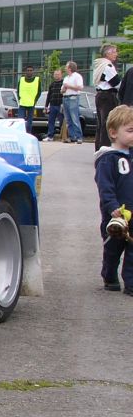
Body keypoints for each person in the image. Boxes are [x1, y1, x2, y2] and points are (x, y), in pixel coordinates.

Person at [93, 105, 133, 295]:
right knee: (113, 250)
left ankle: (131, 283)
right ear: (113, 132)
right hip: (115, 216)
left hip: (132, 215)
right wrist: (111, 206)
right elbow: (105, 186)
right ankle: (109, 276)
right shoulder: (108, 159)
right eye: (130, 130)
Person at [92, 44, 121, 150]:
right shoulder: (108, 66)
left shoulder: (99, 65)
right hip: (107, 96)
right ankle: (105, 148)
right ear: (108, 53)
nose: (116, 54)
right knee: (107, 124)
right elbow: (116, 83)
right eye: (114, 52)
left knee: (100, 124)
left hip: (100, 96)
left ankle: (99, 148)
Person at [62, 60, 85, 143]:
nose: (65, 68)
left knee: (74, 118)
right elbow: (62, 90)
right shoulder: (66, 78)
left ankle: (79, 137)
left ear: (70, 68)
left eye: (66, 66)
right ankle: (72, 136)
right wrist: (63, 89)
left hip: (73, 98)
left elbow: (80, 87)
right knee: (68, 119)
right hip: (65, 97)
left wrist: (68, 86)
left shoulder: (77, 76)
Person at [17, 65, 40, 134]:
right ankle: (21, 133)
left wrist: (35, 100)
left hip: (31, 103)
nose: (29, 72)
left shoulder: (37, 80)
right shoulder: (21, 80)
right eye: (28, 70)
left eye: (31, 70)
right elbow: (18, 90)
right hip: (22, 103)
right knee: (20, 120)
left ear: (33, 72)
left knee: (30, 121)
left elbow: (39, 92)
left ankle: (28, 134)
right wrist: (19, 98)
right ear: (25, 72)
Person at [42, 68, 64, 141]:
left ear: (61, 75)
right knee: (51, 121)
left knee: (62, 121)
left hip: (61, 105)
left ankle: (63, 136)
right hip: (52, 105)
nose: (56, 76)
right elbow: (49, 95)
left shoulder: (64, 83)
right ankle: (50, 136)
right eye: (55, 74)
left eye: (58, 74)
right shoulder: (52, 84)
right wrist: (46, 106)